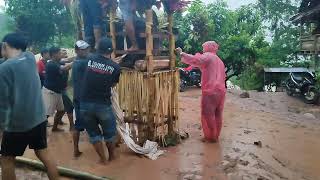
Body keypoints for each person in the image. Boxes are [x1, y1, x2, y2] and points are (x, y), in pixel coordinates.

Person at [0, 33, 59, 180]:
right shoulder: (30, 57)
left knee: (7, 159)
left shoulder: (4, 69)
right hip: (38, 118)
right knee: (43, 153)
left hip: (17, 124)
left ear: (5, 46)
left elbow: (3, 103)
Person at [176, 41, 226, 143]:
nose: (203, 49)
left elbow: (195, 60)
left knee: (208, 114)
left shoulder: (208, 56)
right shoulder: (219, 60)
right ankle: (215, 135)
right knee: (218, 114)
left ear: (208, 47)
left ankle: (211, 137)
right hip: (221, 91)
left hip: (210, 90)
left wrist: (182, 53)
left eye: (204, 47)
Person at [80, 37, 120, 164]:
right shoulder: (115, 67)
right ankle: (112, 157)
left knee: (94, 134)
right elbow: (113, 84)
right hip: (103, 105)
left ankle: (103, 160)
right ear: (111, 50)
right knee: (109, 134)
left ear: (98, 48)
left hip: (85, 104)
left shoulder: (89, 59)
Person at [43, 47, 73, 132]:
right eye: (60, 53)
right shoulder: (51, 64)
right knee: (46, 113)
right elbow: (65, 68)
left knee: (61, 110)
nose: (62, 54)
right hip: (50, 92)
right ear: (54, 54)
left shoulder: (57, 61)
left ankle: (54, 128)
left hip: (58, 91)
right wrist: (78, 61)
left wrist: (79, 56)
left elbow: (68, 60)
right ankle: (37, 131)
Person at [72, 40, 90, 157]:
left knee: (79, 124)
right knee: (79, 125)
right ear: (77, 51)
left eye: (86, 49)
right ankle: (75, 149)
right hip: (82, 98)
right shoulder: (82, 63)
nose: (86, 51)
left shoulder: (77, 61)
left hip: (79, 96)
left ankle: (76, 149)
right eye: (83, 49)